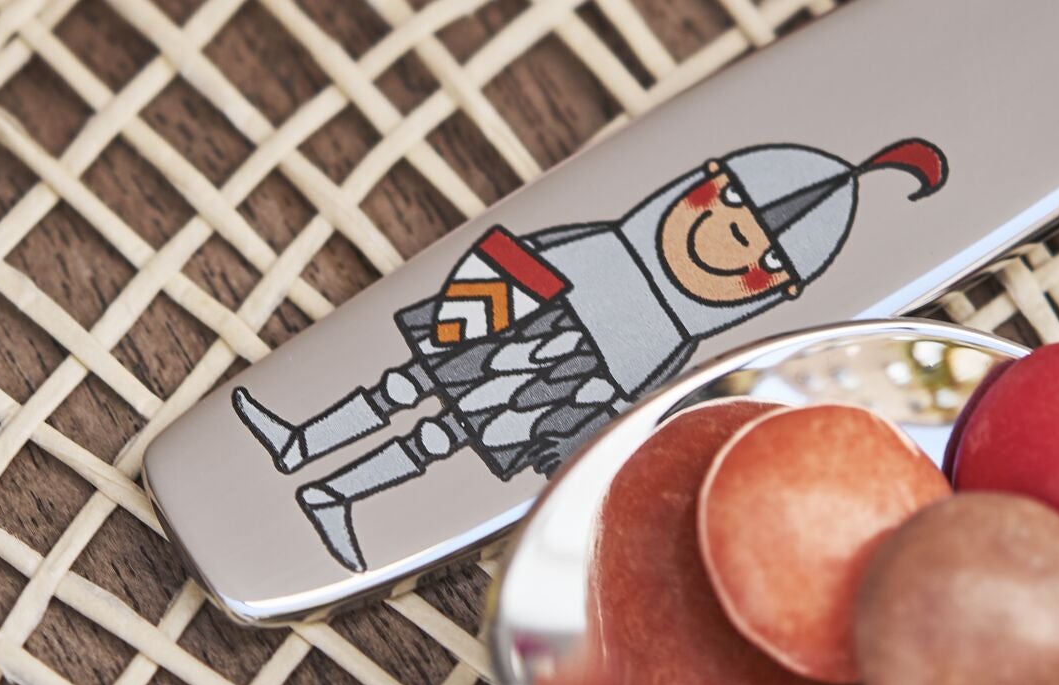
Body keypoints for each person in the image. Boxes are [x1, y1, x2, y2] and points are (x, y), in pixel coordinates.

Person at [232, 135, 949, 569]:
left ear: (771, 288)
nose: (731, 243)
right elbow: (528, 255)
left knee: (442, 437)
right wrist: (476, 295)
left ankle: (335, 494)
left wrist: (575, 437)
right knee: (409, 382)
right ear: (700, 191)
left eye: (760, 258)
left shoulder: (681, 336)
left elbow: (642, 393)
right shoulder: (609, 244)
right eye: (728, 213)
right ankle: (299, 441)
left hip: (576, 377)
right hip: (528, 316)